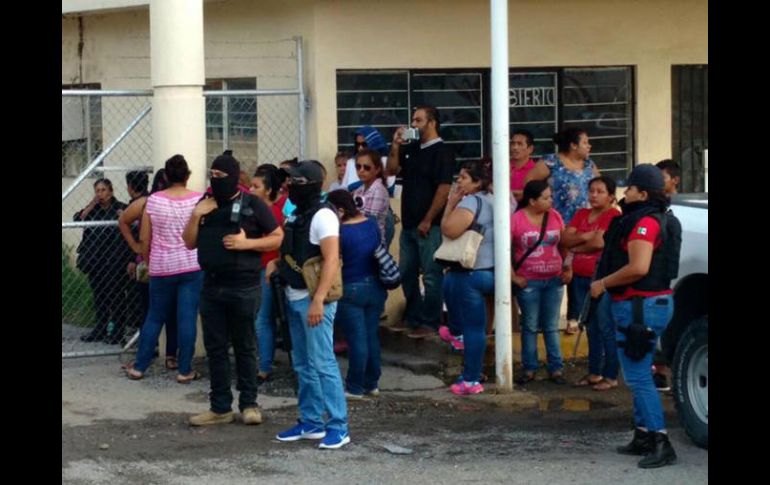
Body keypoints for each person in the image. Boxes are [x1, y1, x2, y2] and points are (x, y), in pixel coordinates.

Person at [590, 163, 681, 468]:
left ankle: (660, 440)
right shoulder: (655, 218)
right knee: (638, 371)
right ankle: (643, 435)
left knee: (639, 376)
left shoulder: (645, 223)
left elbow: (638, 267)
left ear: (642, 194)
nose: (624, 192)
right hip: (646, 304)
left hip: (641, 306)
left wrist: (603, 283)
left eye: (629, 188)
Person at [182, 152, 283, 426]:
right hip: (212, 286)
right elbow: (189, 243)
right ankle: (220, 408)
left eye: (220, 176)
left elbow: (277, 237)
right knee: (216, 349)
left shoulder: (252, 204)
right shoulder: (205, 205)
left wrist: (246, 244)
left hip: (244, 287)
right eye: (212, 175)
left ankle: (249, 404)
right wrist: (195, 216)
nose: (215, 180)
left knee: (245, 346)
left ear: (234, 178)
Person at [268, 160, 350, 450]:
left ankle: (338, 426)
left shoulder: (323, 216)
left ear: (313, 185)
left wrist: (318, 300)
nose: (290, 186)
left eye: (297, 182)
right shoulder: (296, 214)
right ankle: (311, 422)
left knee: (323, 362)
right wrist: (276, 264)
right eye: (290, 181)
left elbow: (331, 259)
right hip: (294, 295)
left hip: (313, 300)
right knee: (303, 364)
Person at [125, 155, 203, 383]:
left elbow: (144, 237)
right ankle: (184, 370)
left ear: (166, 176)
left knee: (154, 317)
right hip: (191, 265)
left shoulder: (154, 201)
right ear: (187, 176)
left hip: (161, 267)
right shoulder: (198, 200)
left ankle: (139, 367)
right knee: (187, 317)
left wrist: (148, 260)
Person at [386, 105, 455, 338]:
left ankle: (430, 321)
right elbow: (391, 171)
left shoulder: (442, 151)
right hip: (408, 223)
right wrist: (396, 145)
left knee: (431, 275)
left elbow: (444, 188)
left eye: (418, 120)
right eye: (413, 120)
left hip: (429, 225)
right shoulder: (411, 148)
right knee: (406, 272)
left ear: (432, 122)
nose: (413, 124)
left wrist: (428, 219)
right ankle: (412, 316)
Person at [525, 128, 600, 334]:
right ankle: (545, 321)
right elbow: (530, 187)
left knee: (579, 270)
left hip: (583, 226)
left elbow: (600, 188)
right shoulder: (550, 162)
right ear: (573, 145)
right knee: (555, 270)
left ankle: (575, 318)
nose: (589, 146)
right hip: (554, 225)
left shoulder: (589, 165)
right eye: (585, 142)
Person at [437, 161, 495, 396]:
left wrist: (450, 204)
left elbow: (449, 229)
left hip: (472, 271)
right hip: (492, 270)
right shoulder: (496, 200)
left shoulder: (471, 202)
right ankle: (457, 335)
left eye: (463, 177)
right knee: (478, 325)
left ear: (477, 182)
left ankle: (471, 378)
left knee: (474, 328)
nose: (458, 181)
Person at [561, 176, 621, 391]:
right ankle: (594, 372)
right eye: (591, 190)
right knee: (590, 327)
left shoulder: (613, 215)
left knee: (606, 326)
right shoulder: (581, 213)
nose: (594, 195)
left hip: (601, 278)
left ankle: (611, 375)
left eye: (600, 191)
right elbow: (565, 239)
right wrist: (586, 237)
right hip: (579, 276)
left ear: (611, 196)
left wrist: (576, 244)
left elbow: (600, 242)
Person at [327, 190, 387, 400]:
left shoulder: (341, 233)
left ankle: (354, 387)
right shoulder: (371, 224)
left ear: (340, 210)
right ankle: (372, 383)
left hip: (351, 287)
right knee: (371, 336)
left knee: (356, 339)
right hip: (376, 286)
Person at [511, 180, 570, 385]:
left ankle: (556, 368)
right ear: (532, 200)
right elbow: (504, 249)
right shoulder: (516, 219)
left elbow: (564, 244)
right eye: (546, 198)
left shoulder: (555, 216)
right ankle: (529, 368)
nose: (550, 200)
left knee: (551, 326)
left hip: (554, 279)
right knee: (530, 325)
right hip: (528, 281)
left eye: (550, 196)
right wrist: (513, 277)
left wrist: (568, 268)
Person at [118, 170, 179, 365]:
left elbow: (127, 224)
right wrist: (136, 248)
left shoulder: (149, 202)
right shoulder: (164, 202)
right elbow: (125, 223)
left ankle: (148, 355)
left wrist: (137, 250)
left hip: (152, 262)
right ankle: (166, 354)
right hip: (163, 263)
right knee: (163, 312)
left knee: (151, 312)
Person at [74, 178, 131, 344]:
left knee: (116, 296)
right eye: (97, 191)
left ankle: (117, 332)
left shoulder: (120, 208)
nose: (100, 194)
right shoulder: (93, 210)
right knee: (99, 297)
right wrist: (91, 204)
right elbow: (78, 220)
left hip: (114, 261)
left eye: (103, 190)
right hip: (95, 261)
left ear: (111, 191)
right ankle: (100, 329)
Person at [250, 164, 286, 383]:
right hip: (257, 269)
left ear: (269, 190)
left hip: (268, 270)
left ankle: (264, 367)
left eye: (256, 186)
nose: (251, 190)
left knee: (262, 319)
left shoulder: (274, 213)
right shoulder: (255, 210)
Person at [650, 159, 681, 392]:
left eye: (662, 178)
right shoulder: (654, 208)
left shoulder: (680, 209)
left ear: (675, 180)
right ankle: (659, 372)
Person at [351, 149, 390, 243]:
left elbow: (369, 221)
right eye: (358, 166)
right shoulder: (359, 190)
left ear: (377, 170)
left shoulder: (378, 190)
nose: (361, 170)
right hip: (360, 238)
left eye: (366, 167)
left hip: (373, 242)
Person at [509, 129, 537, 203]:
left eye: (519, 144)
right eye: (513, 143)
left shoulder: (536, 170)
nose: (515, 147)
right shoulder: (502, 167)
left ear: (530, 149)